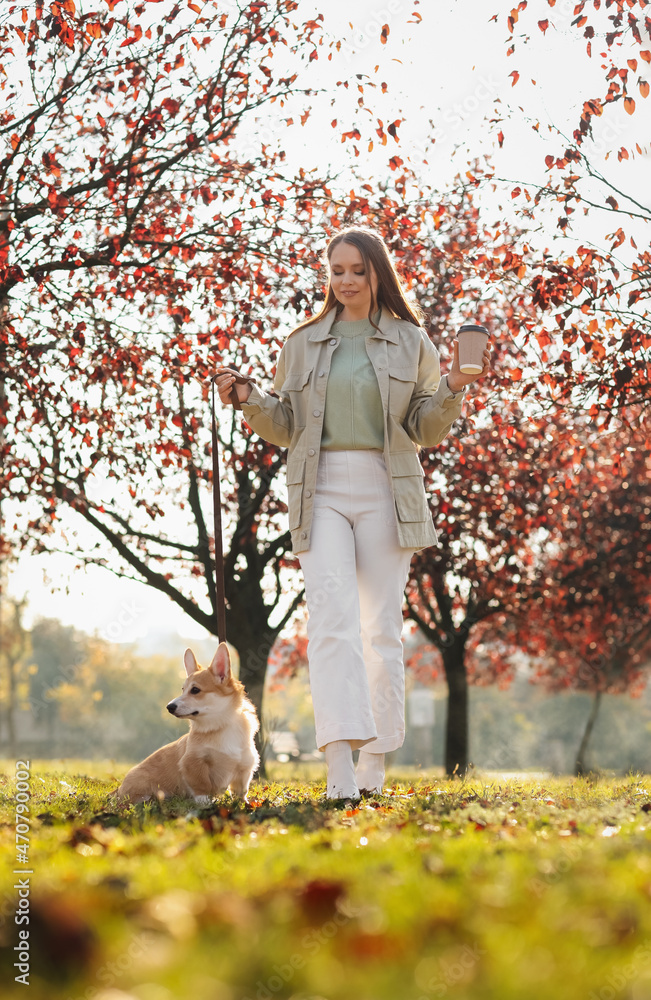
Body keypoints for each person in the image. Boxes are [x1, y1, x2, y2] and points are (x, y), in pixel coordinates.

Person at [215, 226, 491, 799]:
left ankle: (375, 762)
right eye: (336, 270)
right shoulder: (303, 343)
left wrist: (456, 387)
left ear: (377, 274)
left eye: (357, 270)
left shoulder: (412, 341)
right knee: (332, 625)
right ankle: (338, 763)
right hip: (320, 490)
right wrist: (247, 398)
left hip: (388, 488)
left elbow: (424, 428)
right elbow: (286, 425)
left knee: (380, 629)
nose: (345, 281)